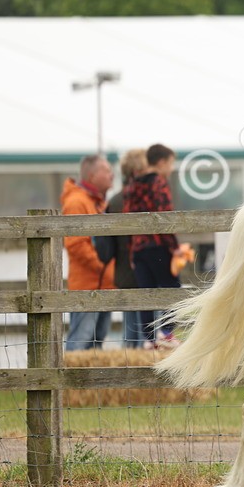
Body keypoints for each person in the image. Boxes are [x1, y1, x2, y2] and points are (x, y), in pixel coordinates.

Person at [123, 144, 184, 349]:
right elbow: (163, 216)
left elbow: (127, 219)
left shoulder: (131, 186)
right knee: (171, 289)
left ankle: (149, 339)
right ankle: (167, 333)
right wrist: (174, 247)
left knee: (146, 294)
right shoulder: (158, 182)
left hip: (139, 248)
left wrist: (132, 252)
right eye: (170, 163)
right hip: (158, 245)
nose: (171, 168)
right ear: (161, 162)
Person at [60, 154, 116, 351]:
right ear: (92, 176)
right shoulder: (77, 202)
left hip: (101, 284)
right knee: (80, 341)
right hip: (87, 285)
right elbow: (76, 245)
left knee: (96, 342)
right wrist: (103, 268)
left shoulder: (97, 203)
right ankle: (68, 381)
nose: (112, 174)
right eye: (107, 170)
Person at [105, 149, 148, 348]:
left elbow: (106, 246)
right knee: (145, 333)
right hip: (141, 272)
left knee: (132, 332)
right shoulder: (147, 197)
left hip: (125, 273)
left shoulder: (114, 201)